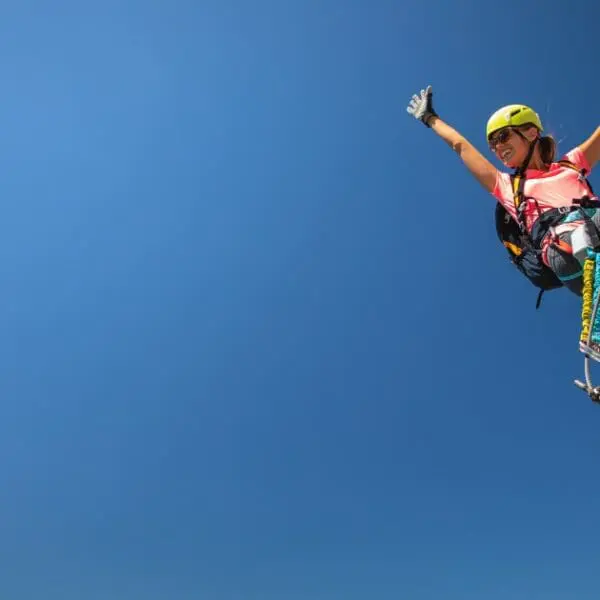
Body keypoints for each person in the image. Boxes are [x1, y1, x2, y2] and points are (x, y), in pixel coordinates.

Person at [407, 86, 600, 296]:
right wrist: (429, 118)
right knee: (582, 237)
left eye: (502, 137)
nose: (497, 148)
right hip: (564, 247)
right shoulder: (507, 186)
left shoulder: (570, 165)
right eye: (492, 145)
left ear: (531, 132)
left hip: (593, 223)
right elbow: (459, 145)